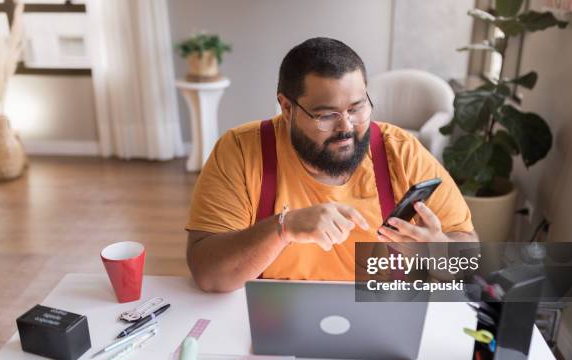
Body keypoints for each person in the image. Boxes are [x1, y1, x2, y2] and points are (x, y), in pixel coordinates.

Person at [186, 37, 477, 292]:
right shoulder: (241, 149)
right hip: (273, 316)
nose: (346, 128)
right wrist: (282, 229)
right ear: (287, 108)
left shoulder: (402, 152)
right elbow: (208, 274)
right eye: (326, 115)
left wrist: (438, 250)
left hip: (378, 317)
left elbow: (468, 258)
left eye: (357, 108)